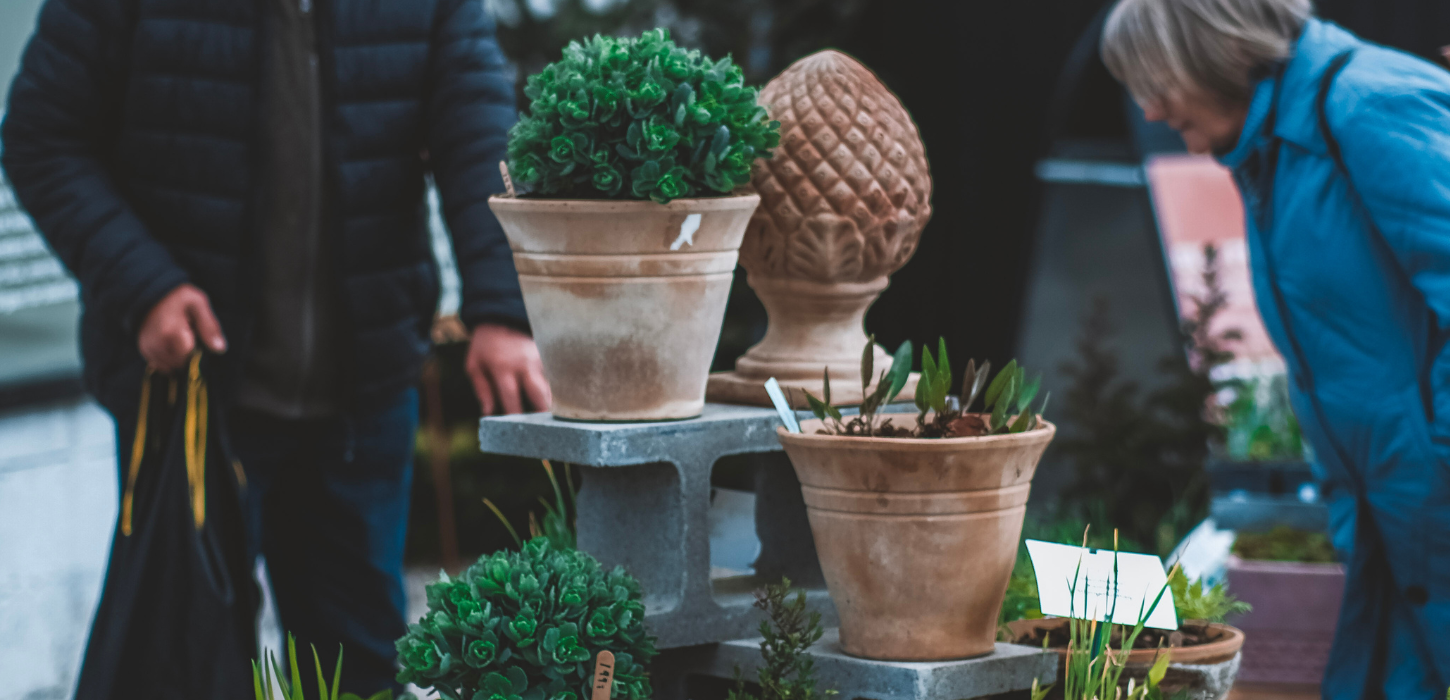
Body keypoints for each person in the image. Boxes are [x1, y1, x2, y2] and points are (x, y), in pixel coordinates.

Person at [2, 0, 550, 693]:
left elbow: (476, 130)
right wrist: (144, 287)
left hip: (364, 399)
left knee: (361, 665)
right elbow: (42, 137)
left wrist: (502, 308)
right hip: (193, 403)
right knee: (185, 668)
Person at [1101, 0, 1450, 695]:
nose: (1150, 111)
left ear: (1211, 47)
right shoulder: (1272, 154)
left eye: (1155, 81)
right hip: (1390, 530)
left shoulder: (1366, 105)